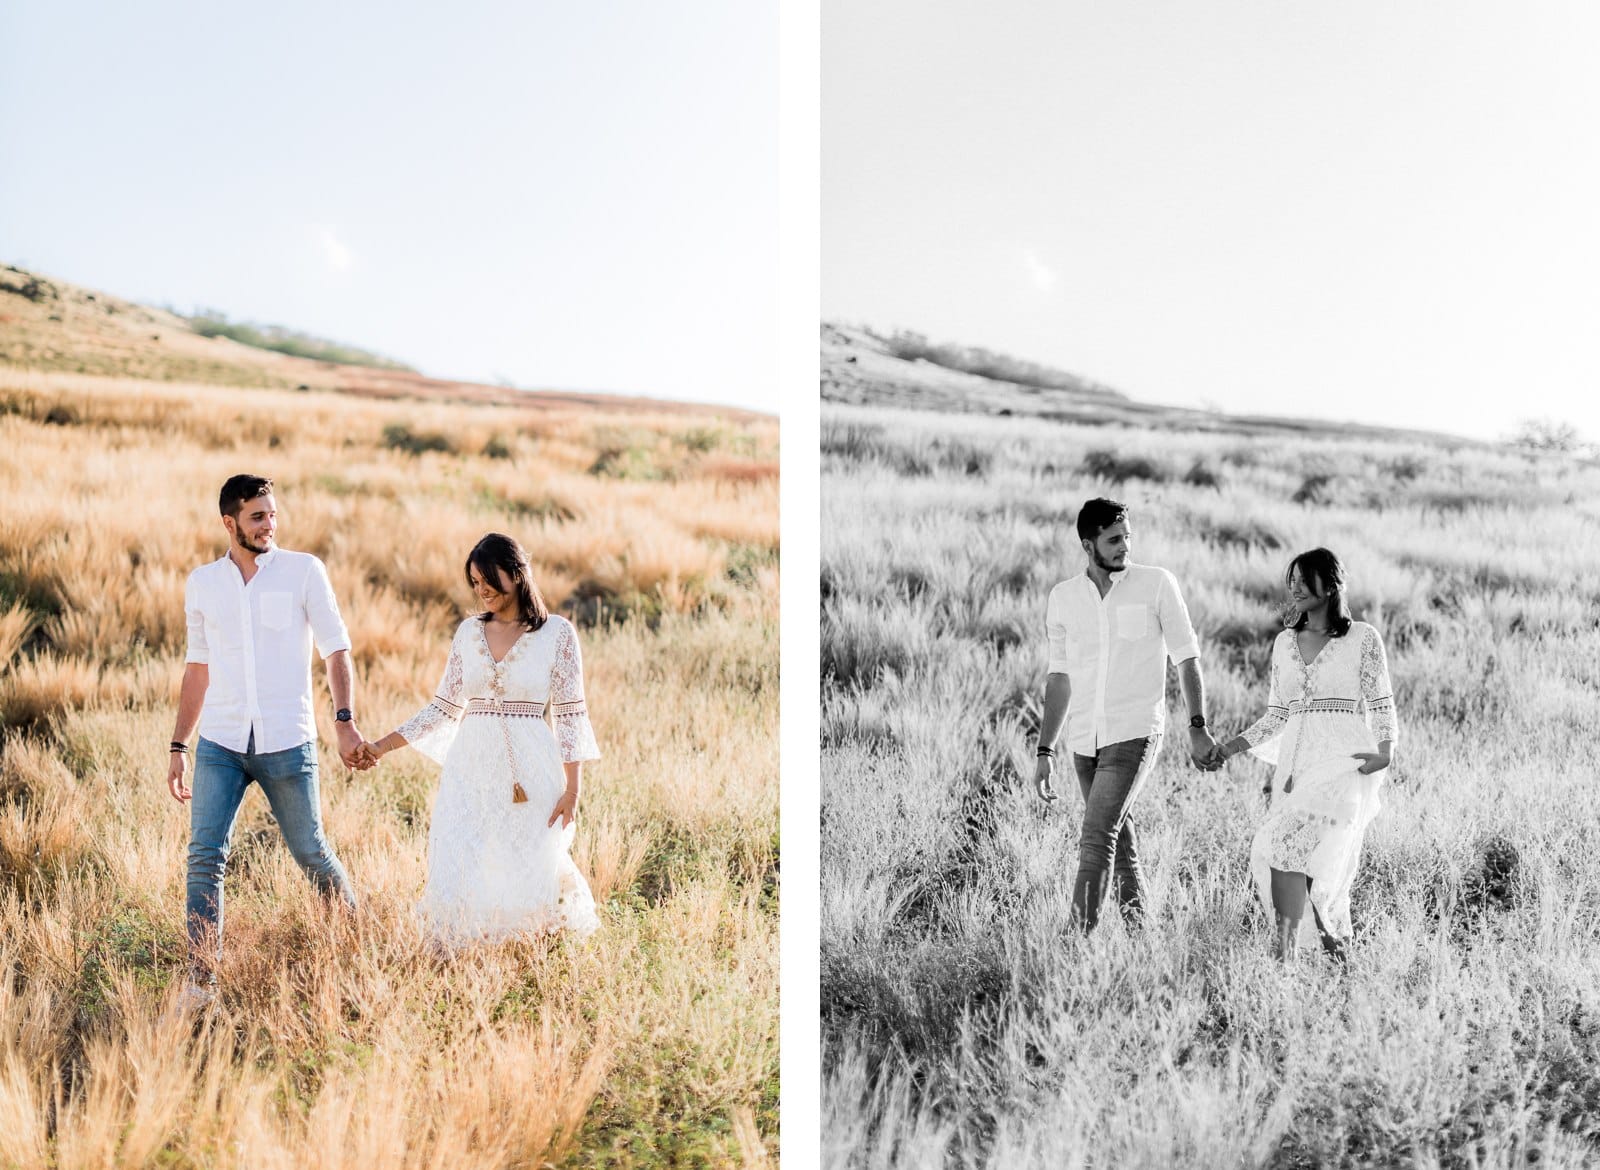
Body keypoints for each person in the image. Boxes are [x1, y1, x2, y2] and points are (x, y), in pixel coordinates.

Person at [167, 474, 370, 1007]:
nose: (270, 525)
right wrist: (178, 746)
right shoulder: (203, 583)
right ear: (229, 523)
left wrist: (344, 720)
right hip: (221, 742)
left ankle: (357, 952)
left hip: (287, 741)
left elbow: (337, 651)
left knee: (312, 853)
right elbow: (197, 669)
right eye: (258, 517)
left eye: (273, 514)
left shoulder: (304, 571)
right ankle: (202, 978)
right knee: (205, 857)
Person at [357, 533, 600, 945]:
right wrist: (381, 746)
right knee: (464, 854)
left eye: (489, 578)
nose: (481, 589)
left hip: (533, 771)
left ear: (518, 574)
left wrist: (573, 790)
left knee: (530, 858)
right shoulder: (468, 633)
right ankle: (465, 947)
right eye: (474, 581)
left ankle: (527, 947)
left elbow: (570, 715)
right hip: (470, 768)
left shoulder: (557, 634)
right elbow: (442, 708)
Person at [1034, 497, 1220, 931]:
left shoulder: (1156, 584)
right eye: (1113, 540)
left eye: (1127, 538)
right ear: (1087, 544)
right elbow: (1059, 678)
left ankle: (1071, 945)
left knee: (1096, 838)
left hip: (1135, 733)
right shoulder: (1063, 598)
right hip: (1084, 741)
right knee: (1120, 842)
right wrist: (1045, 749)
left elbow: (1187, 657)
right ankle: (1142, 936)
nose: (1124, 547)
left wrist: (1198, 727)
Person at [1213, 548, 1400, 962]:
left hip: (1345, 761)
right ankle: (1318, 951)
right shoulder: (1284, 643)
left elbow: (1382, 703)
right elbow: (1278, 714)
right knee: (1289, 858)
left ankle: (1291, 954)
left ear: (1331, 585)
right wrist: (1229, 748)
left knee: (1282, 847)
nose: (1294, 587)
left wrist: (1384, 751)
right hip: (1296, 767)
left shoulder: (1363, 638)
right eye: (1291, 579)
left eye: (1304, 579)